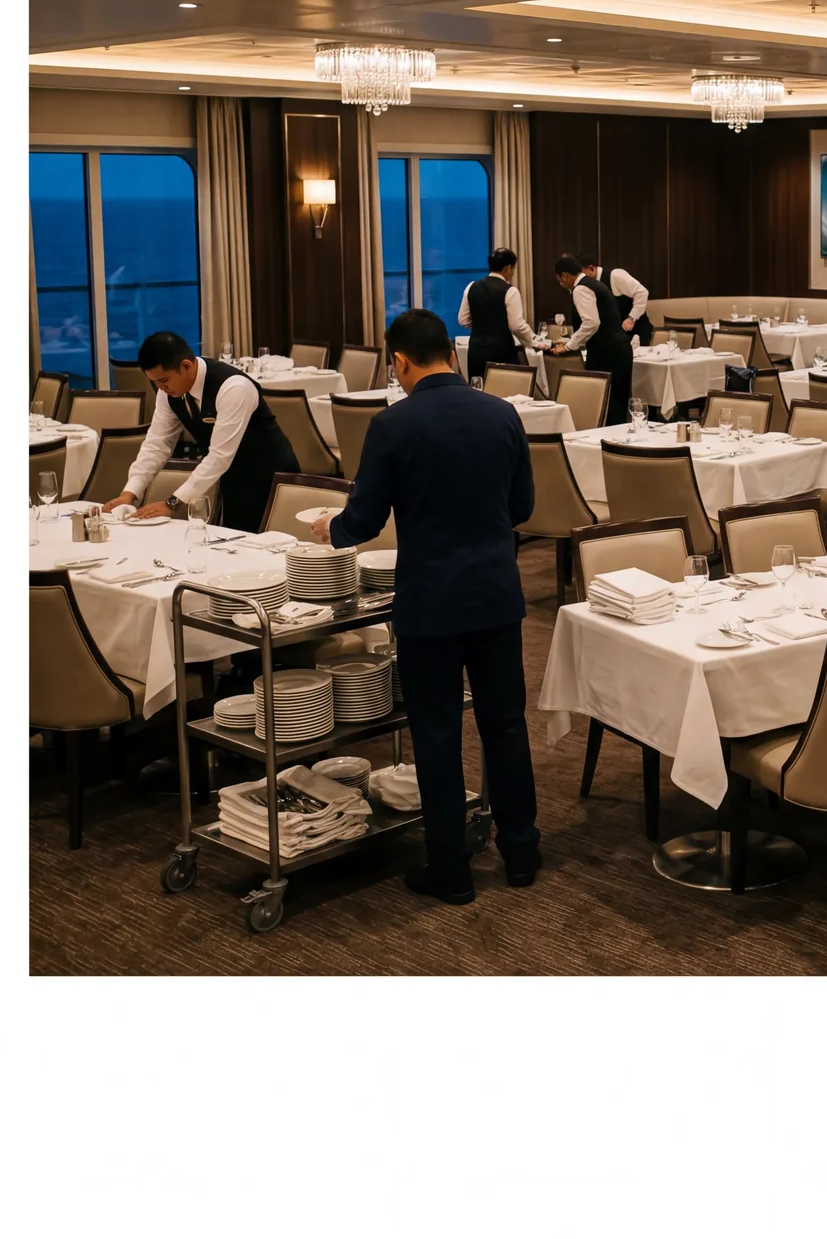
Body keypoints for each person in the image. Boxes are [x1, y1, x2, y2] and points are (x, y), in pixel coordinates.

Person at [314, 308, 539, 904]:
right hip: (496, 595)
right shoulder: (503, 413)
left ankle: (451, 871)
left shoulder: (393, 424)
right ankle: (522, 852)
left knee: (437, 735)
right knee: (506, 725)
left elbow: (363, 521)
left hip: (430, 603)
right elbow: (522, 507)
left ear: (400, 361)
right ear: (450, 352)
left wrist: (328, 529)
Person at [108, 331, 297, 531]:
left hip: (272, 477)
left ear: (186, 366)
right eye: (154, 382)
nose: (160, 388)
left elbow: (219, 455)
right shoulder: (169, 393)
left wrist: (173, 503)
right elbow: (157, 444)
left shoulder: (234, 387)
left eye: (163, 380)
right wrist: (130, 492)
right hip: (232, 477)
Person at [550, 252, 633, 427]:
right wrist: (571, 340)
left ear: (565, 276)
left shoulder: (580, 289)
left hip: (607, 353)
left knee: (608, 408)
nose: (561, 284)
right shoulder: (594, 283)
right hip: (618, 349)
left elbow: (591, 323)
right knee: (617, 407)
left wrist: (569, 346)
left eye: (559, 280)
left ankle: (608, 442)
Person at [457, 247, 537, 381]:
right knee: (504, 390)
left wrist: (482, 323)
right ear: (508, 268)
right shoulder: (510, 291)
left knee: (479, 389)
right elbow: (516, 326)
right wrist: (534, 341)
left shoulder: (471, 287)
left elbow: (463, 320)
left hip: (476, 352)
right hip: (501, 352)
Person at [579, 253, 653, 345]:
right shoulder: (589, 286)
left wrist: (631, 318)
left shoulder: (615, 275)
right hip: (615, 338)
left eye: (582, 275)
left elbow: (642, 292)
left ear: (591, 268)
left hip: (636, 334)